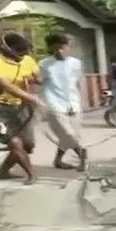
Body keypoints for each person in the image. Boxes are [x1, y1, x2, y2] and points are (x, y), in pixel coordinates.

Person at [0, 33, 45, 185]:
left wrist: (33, 79)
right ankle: (31, 175)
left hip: (22, 108)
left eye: (25, 52)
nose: (23, 55)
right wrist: (33, 99)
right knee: (15, 143)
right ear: (6, 49)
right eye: (19, 52)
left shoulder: (28, 60)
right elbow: (7, 86)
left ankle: (2, 172)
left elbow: (39, 79)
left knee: (27, 146)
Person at [39, 33, 87, 171]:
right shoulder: (44, 64)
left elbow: (79, 82)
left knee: (71, 134)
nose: (58, 51)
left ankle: (58, 160)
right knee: (67, 133)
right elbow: (41, 81)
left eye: (61, 47)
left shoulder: (76, 63)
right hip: (54, 102)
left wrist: (80, 101)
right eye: (55, 49)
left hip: (73, 102)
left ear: (67, 46)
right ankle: (84, 155)